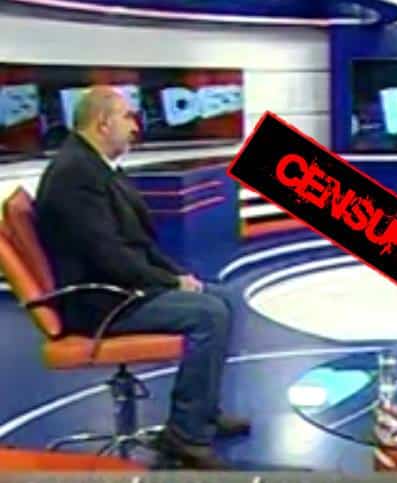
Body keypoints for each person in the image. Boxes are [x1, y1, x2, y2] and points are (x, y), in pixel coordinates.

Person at [35, 86, 249, 470]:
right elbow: (107, 255)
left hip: (121, 288)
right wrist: (169, 284)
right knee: (208, 313)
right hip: (100, 302)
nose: (136, 126)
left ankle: (203, 413)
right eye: (127, 117)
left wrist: (177, 275)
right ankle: (186, 436)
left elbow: (136, 243)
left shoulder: (95, 166)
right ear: (103, 123)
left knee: (222, 298)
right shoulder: (75, 175)